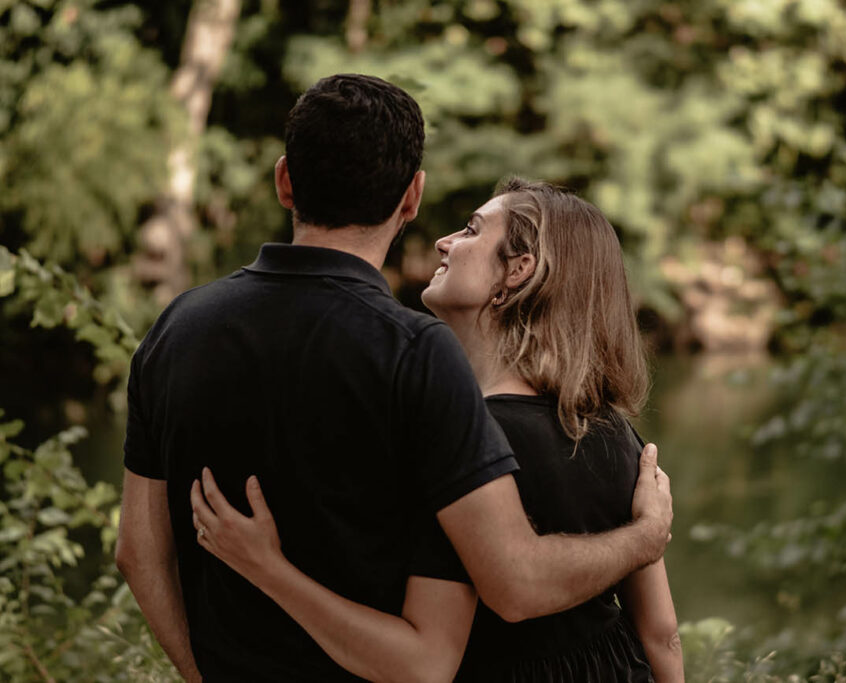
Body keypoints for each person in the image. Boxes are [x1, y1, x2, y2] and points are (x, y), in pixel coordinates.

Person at [115, 73, 673, 683]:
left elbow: (138, 554)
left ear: (284, 181)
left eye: (469, 230)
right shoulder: (417, 354)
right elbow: (499, 599)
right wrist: (645, 537)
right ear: (411, 197)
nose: (443, 239)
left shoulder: (175, 329)